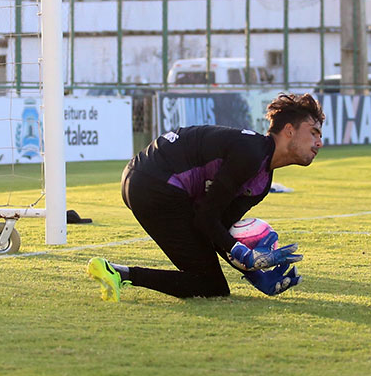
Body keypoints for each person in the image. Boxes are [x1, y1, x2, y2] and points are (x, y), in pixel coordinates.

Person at [87, 92, 324, 301]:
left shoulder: (262, 181)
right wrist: (245, 255)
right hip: (155, 183)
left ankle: (117, 273)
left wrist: (255, 274)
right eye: (313, 132)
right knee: (209, 284)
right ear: (289, 131)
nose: (319, 143)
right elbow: (206, 219)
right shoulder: (251, 153)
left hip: (147, 182)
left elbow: (215, 228)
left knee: (211, 285)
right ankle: (119, 274)